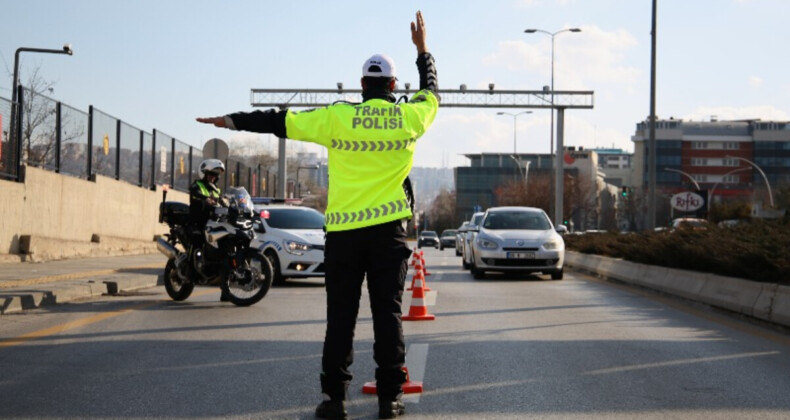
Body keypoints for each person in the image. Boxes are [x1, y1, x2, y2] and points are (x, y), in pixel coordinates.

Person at [196, 11, 438, 419]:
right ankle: (389, 399)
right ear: (394, 86)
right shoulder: (410, 116)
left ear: (362, 86)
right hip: (388, 236)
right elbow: (432, 92)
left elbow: (278, 121)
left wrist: (230, 121)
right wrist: (423, 51)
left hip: (344, 235)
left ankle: (334, 401)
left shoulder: (337, 116)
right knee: (388, 316)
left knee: (340, 319)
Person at [188, 158, 229, 301]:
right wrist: (205, 199)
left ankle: (226, 291)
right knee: (197, 242)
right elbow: (195, 193)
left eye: (215, 175)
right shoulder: (197, 185)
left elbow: (223, 202)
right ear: (203, 173)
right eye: (210, 174)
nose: (213, 177)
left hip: (213, 224)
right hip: (197, 223)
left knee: (224, 254)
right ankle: (192, 270)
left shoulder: (216, 190)